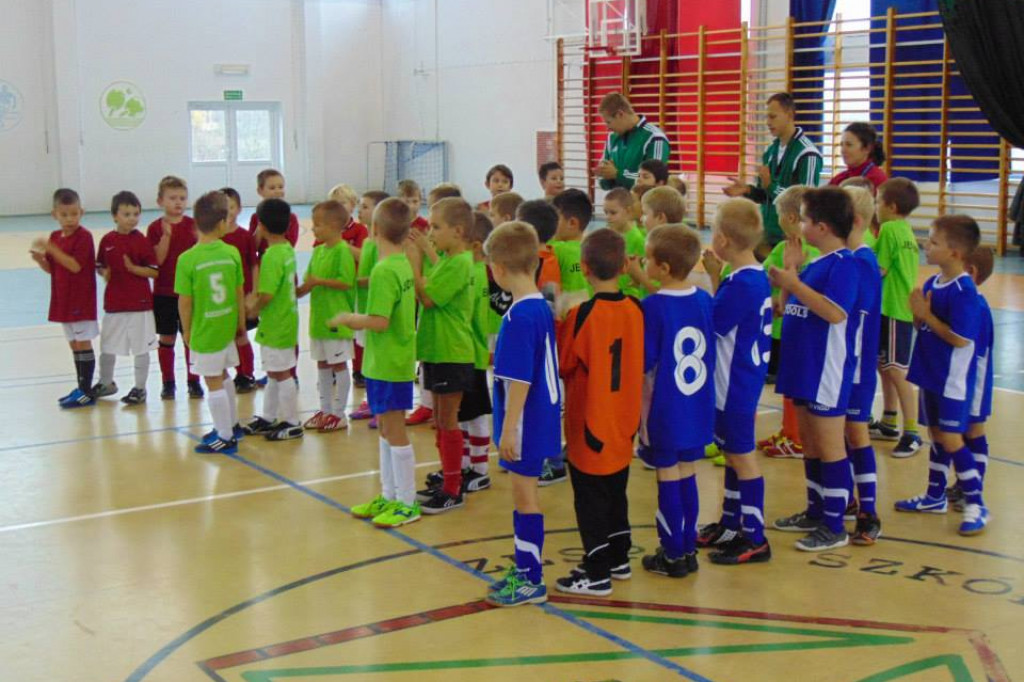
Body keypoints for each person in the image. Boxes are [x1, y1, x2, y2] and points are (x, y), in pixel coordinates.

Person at [769, 187, 860, 552]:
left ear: (821, 227)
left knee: (830, 444)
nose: (799, 224)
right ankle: (816, 510)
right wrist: (791, 274)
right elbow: (784, 308)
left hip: (825, 368)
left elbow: (836, 312)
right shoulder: (815, 263)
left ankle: (835, 524)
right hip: (802, 363)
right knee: (810, 443)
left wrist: (794, 283)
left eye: (804, 219)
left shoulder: (844, 264)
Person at [555, 229, 643, 596]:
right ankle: (619, 556)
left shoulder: (583, 314)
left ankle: (596, 571)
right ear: (624, 266)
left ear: (585, 267)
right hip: (623, 420)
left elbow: (565, 363)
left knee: (589, 498)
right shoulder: (636, 308)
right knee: (616, 490)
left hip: (590, 420)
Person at [483, 221, 562, 607]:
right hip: (542, 416)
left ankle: (531, 578)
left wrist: (510, 428)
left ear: (497, 269)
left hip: (527, 421)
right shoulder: (539, 307)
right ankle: (525, 568)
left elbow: (520, 381)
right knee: (523, 496)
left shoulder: (518, 318)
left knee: (524, 497)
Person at [896, 215, 989, 536]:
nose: (926, 244)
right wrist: (917, 316)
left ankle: (976, 503)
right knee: (936, 435)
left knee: (951, 438)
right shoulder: (934, 283)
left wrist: (925, 316)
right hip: (930, 373)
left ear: (955, 253)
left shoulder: (964, 290)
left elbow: (962, 338)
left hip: (952, 379)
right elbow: (926, 326)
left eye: (934, 242)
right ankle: (935, 495)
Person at [695, 199, 774, 565]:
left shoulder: (741, 284)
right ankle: (730, 523)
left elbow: (714, 324)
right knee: (731, 455)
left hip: (735, 386)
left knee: (742, 458)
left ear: (723, 240)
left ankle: (755, 536)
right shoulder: (751, 276)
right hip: (737, 381)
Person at [334, 198, 421, 528]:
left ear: (374, 231)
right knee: (385, 427)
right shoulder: (401, 264)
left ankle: (407, 502)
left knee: (394, 429)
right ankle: (389, 494)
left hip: (390, 361)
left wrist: (350, 318)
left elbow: (380, 321)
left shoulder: (385, 271)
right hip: (384, 360)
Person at [638, 225, 713, 578]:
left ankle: (671, 554)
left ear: (663, 268)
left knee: (666, 476)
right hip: (697, 406)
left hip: (665, 408)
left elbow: (645, 361)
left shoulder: (652, 306)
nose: (643, 262)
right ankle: (687, 548)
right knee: (688, 473)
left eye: (648, 258)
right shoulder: (703, 298)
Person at [407, 197, 477, 514]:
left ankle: (453, 489)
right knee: (440, 419)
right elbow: (436, 273)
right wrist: (424, 248)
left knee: (448, 420)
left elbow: (430, 297)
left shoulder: (462, 263)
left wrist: (412, 264)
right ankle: (447, 479)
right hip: (436, 349)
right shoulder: (449, 258)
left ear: (458, 230)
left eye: (436, 227)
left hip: (451, 351)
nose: (431, 232)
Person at [174, 191, 245, 454]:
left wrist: (187, 331)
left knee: (212, 380)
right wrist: (239, 324)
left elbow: (185, 302)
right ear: (221, 223)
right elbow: (238, 292)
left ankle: (225, 435)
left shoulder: (188, 259)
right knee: (224, 374)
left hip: (206, 329)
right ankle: (233, 424)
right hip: (226, 325)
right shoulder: (232, 253)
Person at [723, 93, 823, 251]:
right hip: (766, 235)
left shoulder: (808, 154)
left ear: (789, 115)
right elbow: (766, 196)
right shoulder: (771, 151)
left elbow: (805, 203)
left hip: (790, 238)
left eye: (773, 117)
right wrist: (748, 190)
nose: (768, 122)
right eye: (767, 117)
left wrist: (770, 185)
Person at [842, 185, 884, 545]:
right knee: (839, 434)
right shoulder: (848, 259)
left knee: (856, 433)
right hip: (842, 363)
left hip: (856, 365)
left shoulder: (862, 262)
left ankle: (870, 513)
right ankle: (847, 499)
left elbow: (853, 315)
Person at [30, 188, 98, 408]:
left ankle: (86, 390)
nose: (70, 219)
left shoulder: (84, 237)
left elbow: (75, 266)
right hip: (63, 299)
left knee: (83, 342)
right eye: (64, 214)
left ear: (81, 212)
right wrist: (41, 260)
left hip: (81, 300)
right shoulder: (55, 237)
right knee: (73, 344)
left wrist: (51, 249)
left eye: (74, 214)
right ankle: (80, 387)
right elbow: (53, 268)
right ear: (55, 215)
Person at [870, 178, 923, 457]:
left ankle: (912, 432)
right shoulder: (906, 231)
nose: (876, 207)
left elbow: (879, 269)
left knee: (896, 370)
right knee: (885, 366)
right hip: (897, 308)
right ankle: (889, 420)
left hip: (892, 308)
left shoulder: (889, 229)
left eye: (878, 201)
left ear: (891, 206)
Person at [243, 199, 302, 442]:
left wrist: (251, 309)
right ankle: (268, 417)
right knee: (274, 371)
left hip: (276, 323)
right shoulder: (287, 248)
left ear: (262, 227)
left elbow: (266, 294)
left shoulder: (271, 257)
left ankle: (292, 421)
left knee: (282, 373)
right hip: (285, 320)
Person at [93, 191, 158, 405]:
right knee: (107, 346)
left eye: (136, 214)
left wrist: (133, 269)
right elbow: (100, 265)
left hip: (139, 305)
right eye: (127, 213)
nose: (132, 218)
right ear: (114, 216)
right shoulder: (107, 240)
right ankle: (106, 382)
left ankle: (140, 388)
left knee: (141, 347)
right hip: (114, 304)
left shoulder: (142, 241)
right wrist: (105, 274)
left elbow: (153, 271)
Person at [297, 201, 357, 434]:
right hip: (319, 319)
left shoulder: (343, 251)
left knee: (339, 364)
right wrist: (298, 291)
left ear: (334, 225)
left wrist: (318, 282)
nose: (314, 229)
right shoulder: (318, 251)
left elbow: (345, 282)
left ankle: (339, 414)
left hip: (337, 320)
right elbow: (309, 281)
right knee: (322, 364)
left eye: (319, 225)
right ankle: (325, 410)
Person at [948, 246, 995, 511]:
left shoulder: (976, 304)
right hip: (963, 377)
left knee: (974, 428)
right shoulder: (965, 299)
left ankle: (975, 486)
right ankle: (964, 483)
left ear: (971, 272)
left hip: (975, 379)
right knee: (962, 430)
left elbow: (968, 345)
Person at [146, 175, 201, 400]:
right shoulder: (154, 228)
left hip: (189, 293)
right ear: (161, 201)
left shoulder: (193, 226)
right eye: (172, 198)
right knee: (167, 338)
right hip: (164, 293)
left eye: (182, 198)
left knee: (190, 337)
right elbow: (156, 261)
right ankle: (168, 382)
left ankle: (194, 380)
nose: (178, 202)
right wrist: (166, 237)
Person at [350, 190, 391, 418]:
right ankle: (372, 400)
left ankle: (381, 405)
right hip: (363, 304)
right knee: (367, 356)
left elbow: (378, 277)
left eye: (365, 206)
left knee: (377, 357)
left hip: (375, 308)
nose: (359, 210)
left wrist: (354, 282)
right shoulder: (366, 241)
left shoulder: (380, 244)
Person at [219, 187, 259, 394]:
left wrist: (254, 292)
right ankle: (233, 372)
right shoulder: (214, 238)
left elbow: (253, 264)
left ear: (239, 209)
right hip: (222, 297)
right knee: (226, 335)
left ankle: (246, 374)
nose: (228, 211)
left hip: (241, 294)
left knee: (241, 334)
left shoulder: (244, 236)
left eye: (231, 206)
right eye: (223, 207)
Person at [595, 92, 670, 190]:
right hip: (619, 202)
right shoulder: (612, 137)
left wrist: (618, 174)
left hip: (644, 203)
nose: (608, 128)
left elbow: (653, 181)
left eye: (608, 122)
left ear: (620, 114)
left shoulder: (654, 137)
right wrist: (603, 175)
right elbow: (604, 184)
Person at [623, 186, 687, 296]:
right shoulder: (665, 242)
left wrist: (638, 274)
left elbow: (662, 294)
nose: (641, 218)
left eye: (645, 213)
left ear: (661, 217)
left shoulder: (666, 249)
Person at [603, 188, 647, 299]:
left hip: (628, 294)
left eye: (613, 213)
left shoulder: (637, 239)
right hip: (608, 289)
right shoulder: (607, 233)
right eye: (606, 212)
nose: (608, 217)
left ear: (628, 211)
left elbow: (643, 270)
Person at [249, 169, 300, 252]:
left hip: (283, 260)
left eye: (281, 187)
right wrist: (259, 231)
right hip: (263, 261)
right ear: (260, 191)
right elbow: (252, 248)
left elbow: (291, 245)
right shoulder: (256, 217)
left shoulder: (291, 217)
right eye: (272, 188)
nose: (277, 191)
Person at [829, 122, 888, 191]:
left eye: (849, 145)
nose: (843, 150)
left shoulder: (877, 180)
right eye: (842, 145)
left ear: (867, 148)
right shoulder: (838, 180)